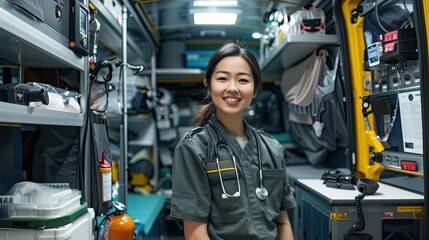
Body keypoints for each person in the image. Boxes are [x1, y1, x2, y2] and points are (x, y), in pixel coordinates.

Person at [170, 41, 296, 240]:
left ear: (255, 90)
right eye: (222, 78)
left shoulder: (272, 148)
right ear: (209, 87)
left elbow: (282, 219)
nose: (232, 88)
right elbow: (195, 233)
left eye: (243, 80)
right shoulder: (194, 148)